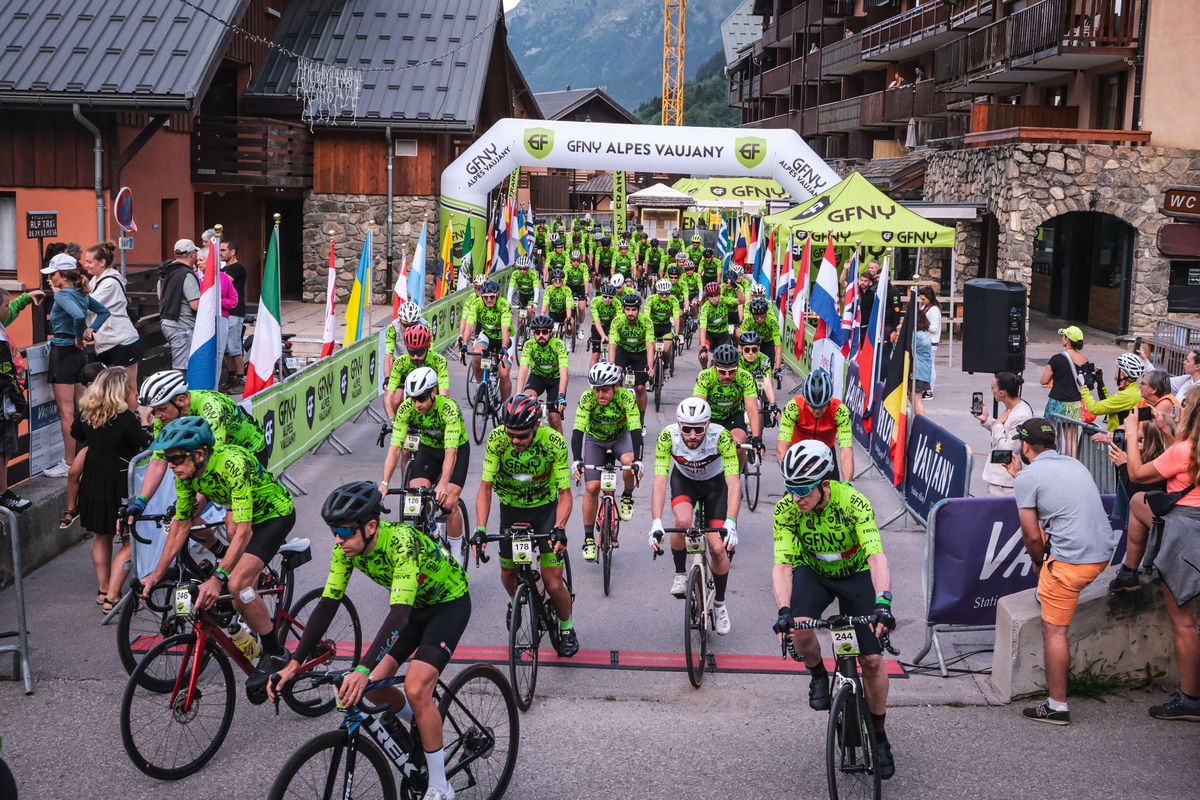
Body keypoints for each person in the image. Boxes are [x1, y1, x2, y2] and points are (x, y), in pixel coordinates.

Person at [268, 481, 469, 800]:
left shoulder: (401, 543)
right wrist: (294, 664)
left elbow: (398, 615)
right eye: (334, 531)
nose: (338, 539)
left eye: (345, 531)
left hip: (447, 605)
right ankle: (425, 719)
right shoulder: (344, 549)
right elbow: (328, 603)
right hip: (414, 608)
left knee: (415, 688)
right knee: (377, 687)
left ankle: (441, 785)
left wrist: (361, 668)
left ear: (371, 526)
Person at [772, 441, 897, 778]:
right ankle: (817, 675)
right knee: (798, 626)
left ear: (825, 484)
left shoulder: (854, 503)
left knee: (871, 660)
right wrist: (784, 610)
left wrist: (883, 601)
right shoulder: (786, 510)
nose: (797, 497)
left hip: (855, 574)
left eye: (803, 489)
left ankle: (881, 737)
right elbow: (783, 566)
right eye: (790, 487)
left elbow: (875, 556)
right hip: (814, 573)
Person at [141, 416, 295, 673]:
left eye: (176, 458)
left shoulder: (232, 464)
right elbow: (181, 524)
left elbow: (245, 531)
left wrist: (218, 577)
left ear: (199, 454)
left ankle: (274, 651)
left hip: (273, 516)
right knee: (237, 595)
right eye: (168, 458)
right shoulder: (185, 474)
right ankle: (246, 615)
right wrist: (155, 575)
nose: (171, 466)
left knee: (237, 584)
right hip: (243, 514)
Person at [1012, 418, 1120, 725]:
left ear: (1025, 446)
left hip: (1072, 563)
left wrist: (1038, 566)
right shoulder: (1074, 463)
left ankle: (1057, 705)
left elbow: (1032, 536)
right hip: (1103, 553)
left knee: (1055, 631)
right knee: (1049, 572)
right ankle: (1046, 589)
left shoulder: (1027, 477)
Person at [1107, 406, 1200, 720]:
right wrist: (1166, 431)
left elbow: (1137, 474)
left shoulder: (1185, 450)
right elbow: (1186, 459)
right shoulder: (1188, 449)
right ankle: (1129, 571)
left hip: (1184, 532)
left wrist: (1133, 434)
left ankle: (1190, 699)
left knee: (1184, 623)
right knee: (1139, 502)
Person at [476, 395, 578, 656]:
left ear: (535, 427)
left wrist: (560, 526)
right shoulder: (497, 440)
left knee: (553, 582)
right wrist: (480, 529)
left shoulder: (553, 442)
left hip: (544, 509)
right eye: (511, 434)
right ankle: (516, 600)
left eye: (521, 436)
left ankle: (566, 628)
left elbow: (565, 493)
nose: (515, 441)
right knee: (508, 574)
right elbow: (485, 488)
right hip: (511, 508)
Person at [126, 370, 268, 523]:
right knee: (184, 519)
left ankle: (262, 541)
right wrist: (141, 501)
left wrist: (193, 500)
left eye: (161, 408)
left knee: (234, 525)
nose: (157, 416)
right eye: (153, 410)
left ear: (180, 400)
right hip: (212, 457)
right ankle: (219, 548)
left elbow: (214, 462)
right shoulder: (164, 418)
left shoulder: (211, 409)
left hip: (248, 451)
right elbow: (158, 462)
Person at [648, 398, 740, 632]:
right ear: (678, 425)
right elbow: (659, 482)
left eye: (698, 429)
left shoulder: (721, 437)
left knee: (717, 547)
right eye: (686, 428)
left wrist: (731, 523)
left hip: (715, 486)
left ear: (708, 426)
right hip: (685, 482)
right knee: (681, 522)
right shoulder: (668, 437)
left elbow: (733, 483)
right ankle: (680, 574)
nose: (691, 434)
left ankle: (719, 603)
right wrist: (656, 521)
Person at [71, 367, 150, 612]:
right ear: (121, 390)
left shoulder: (87, 413)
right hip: (120, 481)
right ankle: (113, 595)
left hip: (93, 479)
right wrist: (146, 422)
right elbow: (144, 445)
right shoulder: (125, 418)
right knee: (129, 538)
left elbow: (77, 434)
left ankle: (103, 588)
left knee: (101, 536)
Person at [380, 367, 470, 564]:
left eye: (421, 398)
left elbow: (451, 452)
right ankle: (428, 529)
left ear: (434, 392)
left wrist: (444, 484)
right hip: (428, 450)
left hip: (455, 450)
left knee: (448, 504)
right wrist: (384, 483)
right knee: (415, 496)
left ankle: (456, 548)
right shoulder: (406, 409)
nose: (417, 404)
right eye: (413, 399)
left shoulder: (449, 409)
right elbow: (395, 448)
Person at [41, 252, 111, 478]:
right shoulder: (81, 293)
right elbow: (103, 312)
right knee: (82, 409)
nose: (50, 278)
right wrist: (91, 331)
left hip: (63, 353)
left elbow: (77, 315)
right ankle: (86, 454)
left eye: (53, 274)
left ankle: (69, 462)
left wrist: (80, 334)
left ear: (63, 275)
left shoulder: (63, 296)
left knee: (66, 412)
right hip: (79, 356)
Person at [573, 362, 643, 556]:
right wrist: (577, 459)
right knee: (592, 488)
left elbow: (636, 429)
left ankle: (627, 496)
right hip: (595, 441)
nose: (599, 395)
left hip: (620, 438)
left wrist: (639, 461)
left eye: (604, 390)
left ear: (616, 387)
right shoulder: (587, 398)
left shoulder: (626, 397)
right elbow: (578, 431)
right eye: (596, 390)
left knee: (629, 463)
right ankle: (588, 538)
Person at [1106, 416, 1169, 593]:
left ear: (1156, 441)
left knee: (1137, 500)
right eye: (1132, 441)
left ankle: (1128, 570)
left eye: (1140, 440)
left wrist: (1124, 468)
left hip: (1178, 531)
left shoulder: (1162, 464)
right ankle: (1128, 572)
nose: (1135, 446)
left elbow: (1141, 497)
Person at [81, 242, 140, 410]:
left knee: (128, 388)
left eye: (89, 261)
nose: (86, 265)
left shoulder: (110, 283)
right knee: (113, 389)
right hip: (108, 341)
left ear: (102, 262)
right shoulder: (96, 280)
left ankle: (133, 424)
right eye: (85, 261)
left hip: (122, 340)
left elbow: (87, 304)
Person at [0, 286, 42, 509]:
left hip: (7, 400)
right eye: (5, 305)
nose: (8, 308)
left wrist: (25, 298)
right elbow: (6, 374)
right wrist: (19, 402)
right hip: (5, 404)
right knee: (3, 448)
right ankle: (3, 493)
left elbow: (10, 310)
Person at [693, 343, 762, 471]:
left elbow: (752, 409)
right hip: (710, 417)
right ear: (714, 367)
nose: (727, 376)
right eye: (722, 372)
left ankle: (736, 476)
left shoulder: (745, 377)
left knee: (738, 444)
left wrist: (757, 438)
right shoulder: (705, 376)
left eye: (731, 372)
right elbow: (699, 406)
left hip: (733, 416)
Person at [777, 368, 853, 480]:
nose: (817, 411)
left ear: (829, 401)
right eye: (812, 406)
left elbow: (846, 452)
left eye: (822, 407)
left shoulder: (840, 411)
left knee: (834, 492)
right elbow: (782, 446)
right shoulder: (793, 407)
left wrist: (848, 483)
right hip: (799, 452)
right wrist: (789, 475)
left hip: (825, 452)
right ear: (805, 400)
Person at [975, 372, 1034, 495]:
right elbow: (1003, 431)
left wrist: (997, 424)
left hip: (1005, 483)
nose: (991, 390)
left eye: (993, 387)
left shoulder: (1021, 415)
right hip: (998, 477)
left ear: (1001, 393)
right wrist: (986, 419)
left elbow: (1007, 449)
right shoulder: (1012, 407)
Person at [516, 315, 569, 434]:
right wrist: (518, 395)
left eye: (544, 332)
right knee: (527, 399)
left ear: (551, 333)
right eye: (537, 332)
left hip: (555, 379)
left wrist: (561, 396)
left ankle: (560, 448)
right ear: (533, 333)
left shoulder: (559, 344)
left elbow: (564, 371)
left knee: (554, 418)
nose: (541, 335)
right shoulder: (529, 345)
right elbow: (523, 369)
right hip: (537, 377)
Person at [462, 279, 513, 401]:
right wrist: (464, 344)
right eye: (485, 297)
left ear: (498, 295)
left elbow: (505, 329)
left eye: (492, 297)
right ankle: (481, 386)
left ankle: (505, 407)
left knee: (504, 374)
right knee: (477, 355)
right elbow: (470, 326)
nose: (489, 300)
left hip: (504, 338)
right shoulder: (476, 304)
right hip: (487, 335)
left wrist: (504, 348)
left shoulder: (504, 305)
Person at [384, 324, 449, 418]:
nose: (415, 357)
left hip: (431, 393)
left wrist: (443, 416)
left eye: (419, 352)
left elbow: (444, 392)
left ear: (428, 347)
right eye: (411, 352)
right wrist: (392, 419)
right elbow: (389, 395)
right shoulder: (400, 362)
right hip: (411, 389)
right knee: (395, 399)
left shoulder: (439, 360)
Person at [157, 239, 201, 375]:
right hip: (182, 325)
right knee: (181, 367)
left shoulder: (167, 271)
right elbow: (195, 305)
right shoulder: (186, 274)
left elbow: (160, 293)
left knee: (179, 363)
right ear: (192, 254)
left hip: (167, 322)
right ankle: (178, 394)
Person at [607, 293, 654, 421]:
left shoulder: (646, 322)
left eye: (634, 309)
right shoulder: (617, 321)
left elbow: (650, 345)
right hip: (623, 351)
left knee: (640, 388)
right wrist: (611, 366)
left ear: (639, 310)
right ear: (623, 309)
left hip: (640, 353)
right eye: (627, 309)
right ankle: (617, 415)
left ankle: (641, 421)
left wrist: (650, 366)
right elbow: (612, 345)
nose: (630, 313)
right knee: (616, 382)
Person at [1080, 352, 1145, 435]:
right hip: (1119, 436)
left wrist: (1083, 387)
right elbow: (1111, 405)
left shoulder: (1128, 395)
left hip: (1120, 439)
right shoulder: (1131, 389)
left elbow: (1094, 408)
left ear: (1122, 374)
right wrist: (1101, 384)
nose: (1115, 370)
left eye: (1117, 368)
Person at [1040, 326, 1090, 421]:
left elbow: (1043, 381)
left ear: (1068, 340)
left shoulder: (1056, 359)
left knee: (1053, 433)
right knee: (1071, 435)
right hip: (1075, 404)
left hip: (1057, 403)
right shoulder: (1084, 360)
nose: (1062, 338)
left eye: (1063, 336)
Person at [219, 239, 247, 390]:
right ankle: (231, 377)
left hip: (235, 312)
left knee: (234, 346)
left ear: (233, 252)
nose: (220, 253)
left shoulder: (238, 268)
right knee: (225, 348)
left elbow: (223, 283)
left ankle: (240, 378)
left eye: (223, 250)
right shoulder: (223, 270)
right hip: (224, 312)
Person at [697, 282, 735, 369]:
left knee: (726, 359)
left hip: (723, 334)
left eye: (716, 295)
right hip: (709, 334)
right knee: (702, 356)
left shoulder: (724, 301)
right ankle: (704, 370)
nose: (714, 298)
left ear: (719, 294)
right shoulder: (705, 308)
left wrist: (736, 288)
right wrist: (703, 349)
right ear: (707, 297)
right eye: (711, 296)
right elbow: (703, 329)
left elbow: (741, 301)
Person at [742, 298, 782, 377]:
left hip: (768, 342)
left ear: (766, 313)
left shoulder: (772, 321)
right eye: (757, 317)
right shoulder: (748, 320)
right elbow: (742, 343)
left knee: (769, 373)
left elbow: (777, 347)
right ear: (752, 315)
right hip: (753, 343)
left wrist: (778, 369)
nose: (760, 319)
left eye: (762, 316)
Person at [915, 286, 940, 398]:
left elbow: (935, 328)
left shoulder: (934, 310)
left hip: (931, 341)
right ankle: (925, 388)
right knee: (924, 366)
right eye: (921, 299)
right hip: (923, 341)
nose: (922, 301)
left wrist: (923, 325)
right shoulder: (925, 307)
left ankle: (929, 390)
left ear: (929, 298)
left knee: (930, 366)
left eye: (924, 299)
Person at [588, 283, 620, 369]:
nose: (608, 299)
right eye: (605, 296)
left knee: (612, 351)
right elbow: (597, 321)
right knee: (595, 354)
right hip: (597, 326)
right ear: (601, 295)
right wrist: (603, 336)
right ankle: (592, 376)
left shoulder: (617, 303)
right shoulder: (595, 301)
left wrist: (610, 335)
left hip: (610, 326)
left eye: (610, 297)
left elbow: (617, 322)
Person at [540, 268, 575, 338]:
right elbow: (545, 302)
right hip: (553, 312)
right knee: (551, 331)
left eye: (560, 280)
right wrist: (542, 314)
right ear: (552, 280)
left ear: (563, 280)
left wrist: (568, 318)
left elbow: (568, 305)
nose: (558, 281)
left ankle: (568, 341)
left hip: (565, 312)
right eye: (556, 279)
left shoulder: (567, 290)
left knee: (569, 325)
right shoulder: (548, 289)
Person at [912, 308, 933, 415]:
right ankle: (918, 419)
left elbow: (910, 350)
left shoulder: (916, 336)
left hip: (917, 370)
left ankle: (921, 422)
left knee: (917, 400)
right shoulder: (926, 334)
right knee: (914, 398)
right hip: (924, 370)